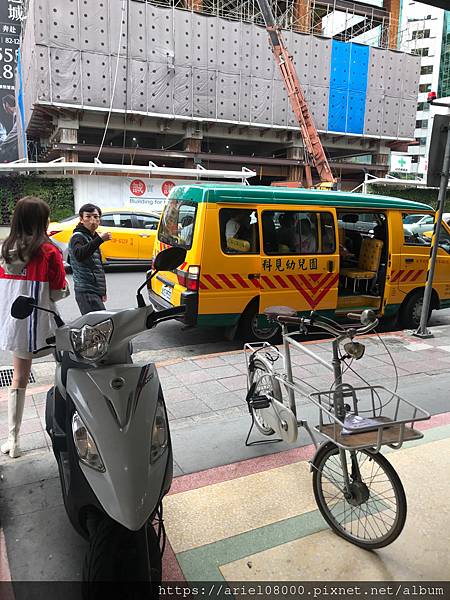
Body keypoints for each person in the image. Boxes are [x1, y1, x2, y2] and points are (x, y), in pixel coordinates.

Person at [0, 196, 68, 458]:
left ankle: (13, 442)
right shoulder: (49, 252)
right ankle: (66, 428)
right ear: (42, 222)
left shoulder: (7, 250)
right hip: (44, 324)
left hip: (15, 325)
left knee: (18, 380)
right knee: (65, 371)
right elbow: (59, 291)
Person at [68, 204, 112, 315]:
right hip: (85, 290)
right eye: (88, 217)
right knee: (99, 324)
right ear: (81, 220)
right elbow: (79, 255)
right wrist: (100, 239)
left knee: (98, 325)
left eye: (96, 217)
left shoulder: (92, 236)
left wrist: (102, 291)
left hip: (94, 290)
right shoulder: (78, 236)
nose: (92, 220)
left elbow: (97, 268)